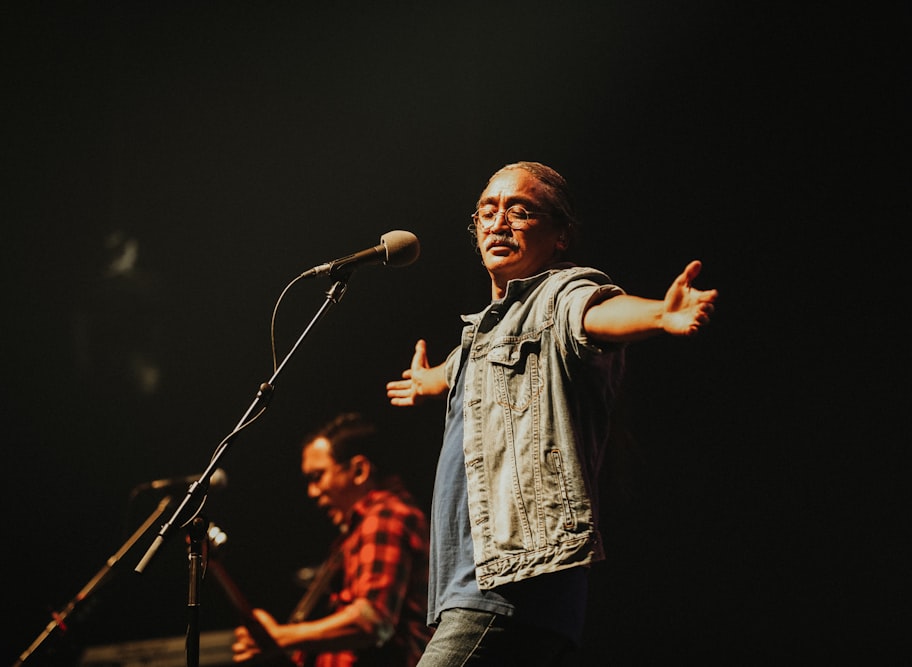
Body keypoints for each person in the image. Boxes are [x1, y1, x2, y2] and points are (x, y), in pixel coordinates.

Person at [385, 161, 719, 665]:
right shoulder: (480, 336)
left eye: (520, 211)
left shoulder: (558, 296)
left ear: (560, 235)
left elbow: (595, 314)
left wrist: (659, 314)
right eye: (488, 211)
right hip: (472, 588)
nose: (499, 223)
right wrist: (429, 381)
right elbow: (459, 368)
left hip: (513, 584)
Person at [232, 412, 433, 667]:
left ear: (359, 470)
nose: (312, 492)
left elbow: (371, 621)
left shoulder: (386, 516)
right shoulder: (357, 531)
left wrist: (281, 636)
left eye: (317, 476)